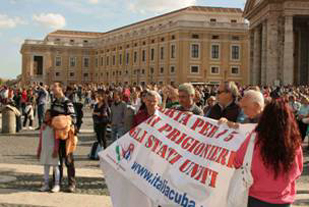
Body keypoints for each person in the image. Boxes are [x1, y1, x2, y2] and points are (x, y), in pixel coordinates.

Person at [235, 100, 303, 207]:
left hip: (255, 198)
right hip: (283, 199)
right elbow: (297, 171)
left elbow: (238, 161)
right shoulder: (294, 142)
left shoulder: (254, 138)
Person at [50, 82, 77, 192]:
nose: (53, 88)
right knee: (57, 159)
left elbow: (73, 118)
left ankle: (72, 183)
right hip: (56, 135)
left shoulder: (67, 102)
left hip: (66, 135)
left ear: (61, 89)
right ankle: (57, 182)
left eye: (55, 86)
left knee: (69, 160)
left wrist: (62, 121)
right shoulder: (54, 102)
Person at [37, 110, 60, 193]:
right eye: (45, 114)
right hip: (45, 149)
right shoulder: (43, 126)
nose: (46, 116)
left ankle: (57, 184)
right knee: (46, 167)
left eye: (48, 115)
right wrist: (39, 150)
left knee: (55, 167)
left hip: (52, 149)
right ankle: (46, 184)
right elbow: (40, 139)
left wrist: (56, 150)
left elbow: (57, 139)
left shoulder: (54, 126)